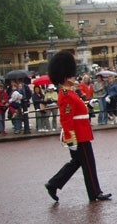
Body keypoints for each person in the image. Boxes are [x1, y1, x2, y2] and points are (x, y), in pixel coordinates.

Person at [44, 50, 112, 202]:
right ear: (65, 76)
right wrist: (71, 139)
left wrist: (88, 104)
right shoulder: (66, 95)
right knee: (88, 164)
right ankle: (95, 192)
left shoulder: (70, 92)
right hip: (78, 135)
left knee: (77, 163)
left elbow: (77, 110)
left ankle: (53, 184)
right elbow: (66, 120)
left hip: (81, 132)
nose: (74, 76)